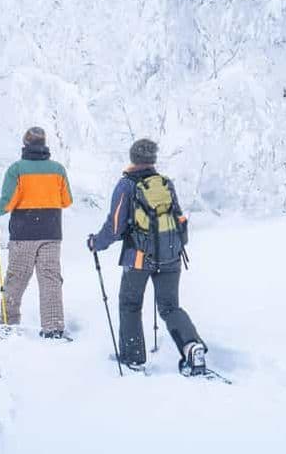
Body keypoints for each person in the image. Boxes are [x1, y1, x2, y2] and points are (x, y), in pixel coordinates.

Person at [87, 138, 207, 375]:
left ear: (133, 158)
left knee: (130, 304)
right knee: (170, 307)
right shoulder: (165, 183)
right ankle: (192, 346)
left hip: (140, 258)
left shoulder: (126, 185)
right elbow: (177, 216)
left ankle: (133, 357)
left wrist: (96, 243)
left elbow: (114, 227)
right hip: (171, 256)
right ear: (153, 159)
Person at [0, 127, 73, 338]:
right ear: (44, 143)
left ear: (25, 144)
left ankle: (9, 320)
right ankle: (53, 326)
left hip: (24, 232)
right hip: (51, 232)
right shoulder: (58, 170)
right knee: (50, 278)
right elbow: (67, 201)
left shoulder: (16, 169)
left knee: (17, 277)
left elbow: (6, 204)